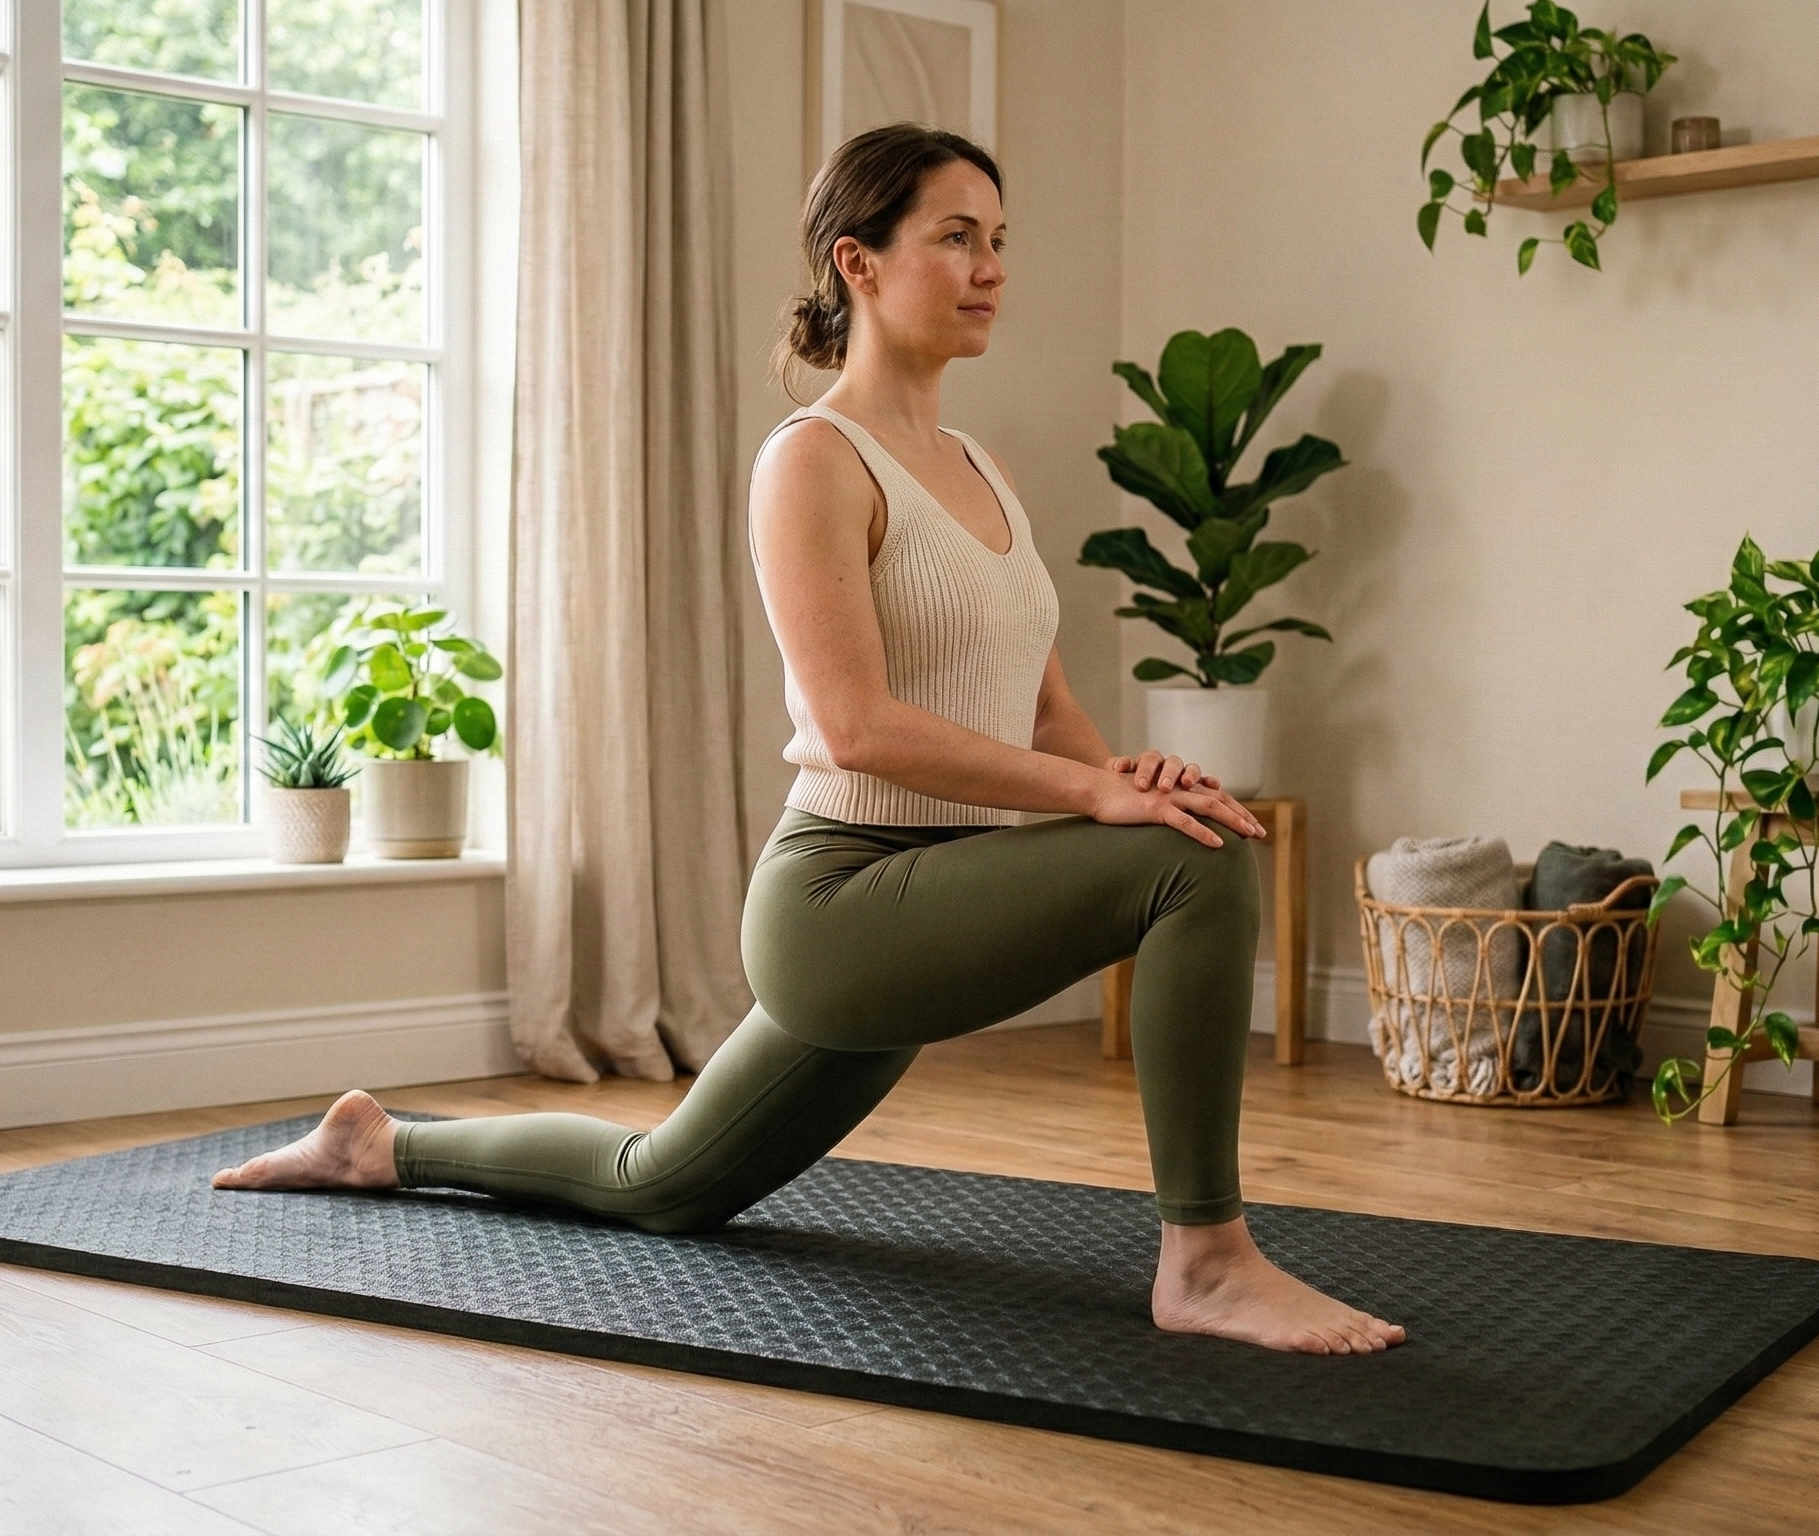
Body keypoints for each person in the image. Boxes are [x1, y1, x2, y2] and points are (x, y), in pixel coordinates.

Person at [213, 123, 1404, 1357]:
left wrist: (1123, 775)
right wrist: (1098, 805)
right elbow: (856, 726)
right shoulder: (812, 461)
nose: (991, 267)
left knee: (660, 1182)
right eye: (955, 237)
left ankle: (379, 1143)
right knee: (1198, 863)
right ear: (858, 262)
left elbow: (1044, 710)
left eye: (999, 240)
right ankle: (1206, 1264)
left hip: (939, 893)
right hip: (842, 905)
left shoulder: (979, 467)